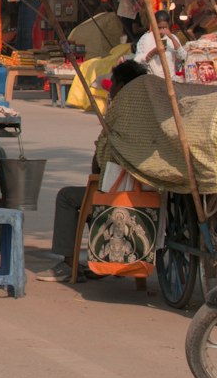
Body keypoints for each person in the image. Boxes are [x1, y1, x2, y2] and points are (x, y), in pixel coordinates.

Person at [47, 59, 148, 282]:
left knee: (67, 196)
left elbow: (102, 158)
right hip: (150, 190)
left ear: (120, 86)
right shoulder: (153, 110)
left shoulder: (120, 110)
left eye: (112, 85)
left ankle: (67, 264)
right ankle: (108, 257)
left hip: (118, 193)